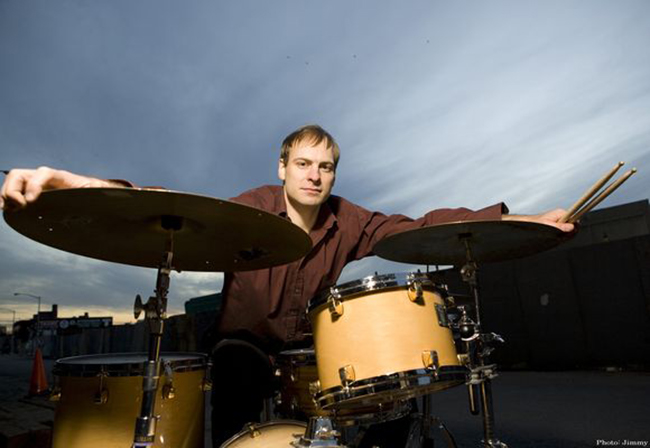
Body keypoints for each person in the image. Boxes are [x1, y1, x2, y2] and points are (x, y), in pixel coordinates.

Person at [0, 125, 574, 447]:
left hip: (310, 350)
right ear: (282, 168)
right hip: (243, 345)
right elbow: (167, 206)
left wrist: (511, 219)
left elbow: (420, 225)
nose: (313, 175)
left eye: (325, 168)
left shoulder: (348, 219)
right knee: (240, 370)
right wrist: (82, 185)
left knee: (393, 389)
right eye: (302, 164)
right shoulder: (248, 210)